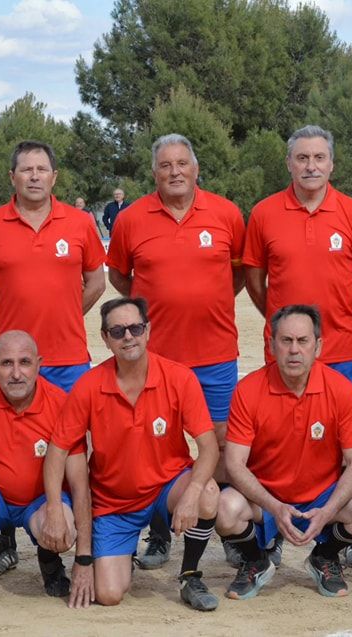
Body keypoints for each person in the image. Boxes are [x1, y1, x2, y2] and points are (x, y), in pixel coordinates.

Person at [107, 133, 245, 568]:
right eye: (165, 165)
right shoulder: (130, 219)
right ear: (154, 172)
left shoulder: (225, 213)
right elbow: (119, 279)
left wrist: (207, 301)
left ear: (196, 168)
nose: (175, 172)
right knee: (153, 448)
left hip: (216, 354)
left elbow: (238, 274)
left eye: (182, 163)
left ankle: (223, 528)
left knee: (221, 446)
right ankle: (161, 533)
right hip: (157, 359)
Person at [243, 124, 352, 568]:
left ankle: (338, 536)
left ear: (332, 163)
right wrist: (285, 328)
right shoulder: (264, 213)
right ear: (289, 163)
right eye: (302, 158)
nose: (311, 165)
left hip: (341, 350)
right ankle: (276, 525)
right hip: (285, 352)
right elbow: (256, 282)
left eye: (319, 157)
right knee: (278, 441)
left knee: (337, 446)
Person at [0, 140, 106, 573]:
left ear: (54, 177)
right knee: (0, 446)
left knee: (72, 451)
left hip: (68, 361)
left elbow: (96, 282)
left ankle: (65, 538)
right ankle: (6, 541)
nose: (33, 175)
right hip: (12, 363)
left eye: (41, 168)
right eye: (25, 169)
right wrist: (13, 328)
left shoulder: (80, 223)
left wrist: (65, 314)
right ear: (12, 177)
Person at [43, 297, 221, 611]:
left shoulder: (179, 378)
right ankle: (125, 558)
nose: (128, 336)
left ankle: (190, 574)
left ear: (148, 330)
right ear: (105, 339)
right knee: (108, 594)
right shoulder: (88, 386)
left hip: (167, 486)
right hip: (115, 503)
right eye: (117, 330)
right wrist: (55, 506)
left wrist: (191, 492)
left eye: (135, 327)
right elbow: (57, 452)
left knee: (207, 492)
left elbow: (208, 447)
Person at [217, 305, 352, 599]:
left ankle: (325, 557)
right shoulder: (248, 389)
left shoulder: (340, 389)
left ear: (318, 346)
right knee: (224, 509)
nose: (294, 350)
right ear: (271, 345)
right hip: (265, 497)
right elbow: (234, 464)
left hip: (321, 497)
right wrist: (275, 507)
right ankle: (255, 561)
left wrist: (328, 510)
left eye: (303, 341)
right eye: (286, 340)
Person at [0, 331, 93, 609]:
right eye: (6, 363)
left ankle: (50, 562)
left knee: (65, 532)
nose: (16, 373)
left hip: (41, 501)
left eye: (24, 362)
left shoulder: (61, 403)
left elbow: (80, 482)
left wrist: (84, 558)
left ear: (39, 364)